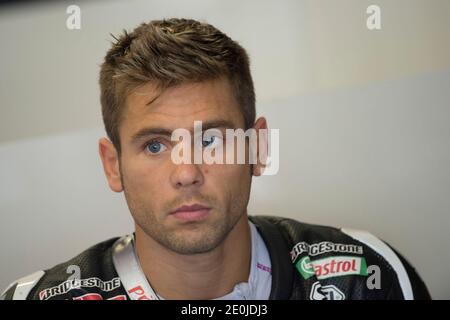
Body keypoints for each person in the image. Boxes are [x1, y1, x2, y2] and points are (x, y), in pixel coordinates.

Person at [1, 18, 430, 300]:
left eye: (211, 142)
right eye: (155, 145)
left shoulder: (364, 276)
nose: (187, 173)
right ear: (113, 165)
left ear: (257, 149)